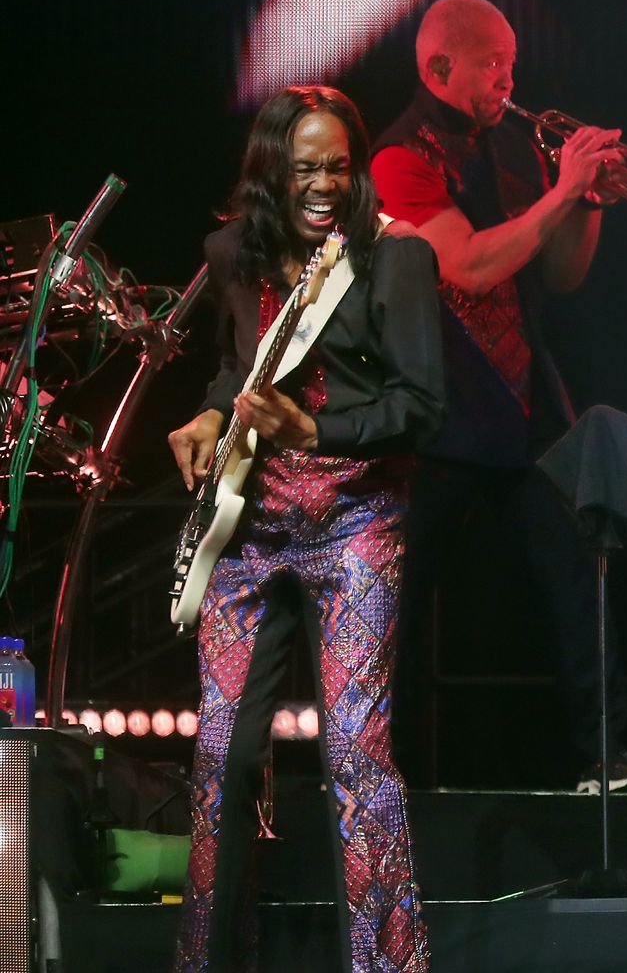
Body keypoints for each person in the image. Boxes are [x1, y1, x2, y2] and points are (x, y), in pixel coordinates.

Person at [166, 86, 442, 972]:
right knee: (219, 754)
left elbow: (421, 406)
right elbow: (234, 369)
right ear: (271, 175)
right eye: (304, 168)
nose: (323, 183)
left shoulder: (395, 258)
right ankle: (212, 960)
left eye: (336, 166)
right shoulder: (232, 256)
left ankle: (386, 965)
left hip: (356, 518)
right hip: (249, 530)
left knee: (356, 757)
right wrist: (211, 417)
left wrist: (314, 431)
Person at [370, 0, 627, 793]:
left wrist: (588, 203)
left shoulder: (518, 150)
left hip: (524, 402)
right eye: (494, 63)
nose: (508, 79)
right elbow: (466, 265)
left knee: (578, 577)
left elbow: (558, 274)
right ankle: (383, 773)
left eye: (512, 63)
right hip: (434, 409)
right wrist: (564, 192)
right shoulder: (399, 157)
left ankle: (608, 760)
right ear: (440, 67)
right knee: (399, 604)